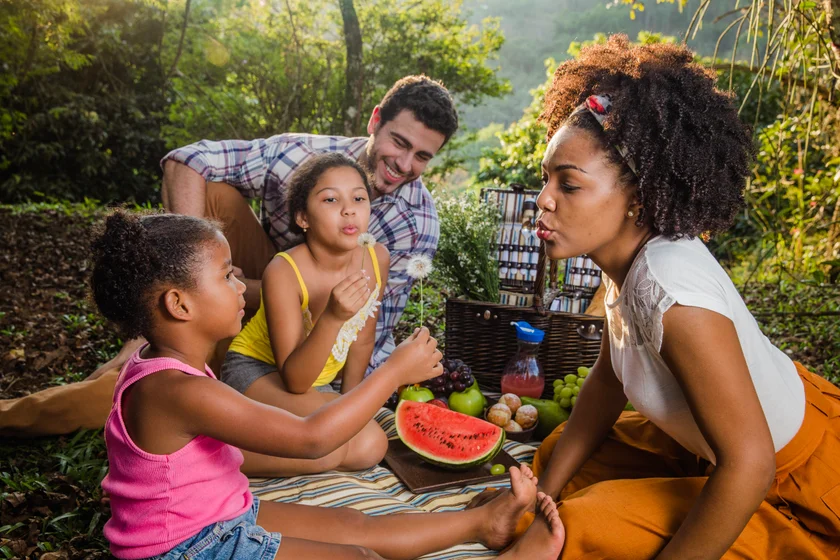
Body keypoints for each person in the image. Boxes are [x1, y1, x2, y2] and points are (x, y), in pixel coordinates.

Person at [474, 35, 840, 559]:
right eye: (545, 178)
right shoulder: (622, 264)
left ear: (637, 198)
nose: (543, 200)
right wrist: (545, 493)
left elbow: (751, 465)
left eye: (568, 184)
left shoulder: (674, 291)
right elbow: (606, 383)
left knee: (576, 530)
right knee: (554, 459)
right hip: (710, 448)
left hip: (790, 480)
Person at [91, 210, 565, 560]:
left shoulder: (162, 367)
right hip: (190, 547)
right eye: (226, 275)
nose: (241, 285)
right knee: (357, 559)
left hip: (214, 514)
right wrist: (393, 374)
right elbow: (311, 439)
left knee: (350, 523)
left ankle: (482, 524)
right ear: (179, 304)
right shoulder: (177, 390)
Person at [0, 74, 456, 437]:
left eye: (422, 156)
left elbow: (367, 333)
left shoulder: (415, 228)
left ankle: (174, 352)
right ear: (375, 120)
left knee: (347, 434)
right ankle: (163, 329)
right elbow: (185, 161)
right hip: (258, 287)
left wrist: (351, 399)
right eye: (399, 142)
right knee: (212, 191)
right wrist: (193, 288)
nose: (404, 164)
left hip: (307, 330)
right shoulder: (300, 155)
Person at [222, 153, 391, 475]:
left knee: (367, 444)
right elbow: (296, 381)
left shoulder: (377, 257)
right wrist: (332, 316)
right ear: (303, 218)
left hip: (319, 383)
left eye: (359, 197)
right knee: (355, 443)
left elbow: (362, 340)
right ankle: (203, 458)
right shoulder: (284, 271)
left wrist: (351, 404)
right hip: (260, 371)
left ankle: (259, 444)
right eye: (330, 199)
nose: (349, 209)